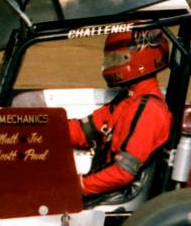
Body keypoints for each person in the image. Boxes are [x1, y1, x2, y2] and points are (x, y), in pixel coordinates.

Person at [68, 28, 173, 198]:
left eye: (116, 58)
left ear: (138, 59)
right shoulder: (128, 100)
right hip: (102, 186)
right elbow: (83, 131)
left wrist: (74, 186)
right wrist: (40, 130)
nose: (110, 64)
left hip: (113, 196)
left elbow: (122, 172)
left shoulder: (148, 110)